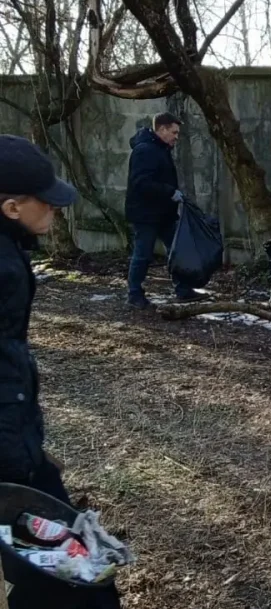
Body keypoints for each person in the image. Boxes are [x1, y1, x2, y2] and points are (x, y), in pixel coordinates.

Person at [0, 135, 122, 608]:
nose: (57, 211)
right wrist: (21, 461)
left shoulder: (10, 250)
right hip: (9, 459)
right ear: (12, 207)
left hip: (16, 448)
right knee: (78, 578)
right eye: (47, 203)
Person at [125, 112, 205, 309]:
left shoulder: (159, 148)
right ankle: (134, 294)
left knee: (176, 252)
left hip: (163, 213)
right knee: (143, 254)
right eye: (174, 132)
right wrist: (170, 192)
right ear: (161, 129)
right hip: (146, 214)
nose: (177, 136)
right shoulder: (145, 150)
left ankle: (183, 290)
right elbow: (141, 183)